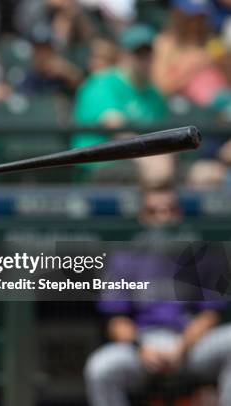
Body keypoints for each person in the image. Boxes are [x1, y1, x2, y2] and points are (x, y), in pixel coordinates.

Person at [84, 185, 231, 406]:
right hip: (144, 344)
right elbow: (116, 321)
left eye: (169, 210)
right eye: (154, 211)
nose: (163, 217)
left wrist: (182, 347)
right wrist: (142, 349)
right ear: (143, 217)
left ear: (179, 214)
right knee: (100, 368)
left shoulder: (204, 252)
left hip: (192, 343)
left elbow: (210, 314)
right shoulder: (124, 258)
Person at [72, 24, 169, 186]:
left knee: (207, 173)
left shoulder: (155, 94)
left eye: (148, 54)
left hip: (147, 161)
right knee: (155, 170)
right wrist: (151, 158)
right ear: (123, 54)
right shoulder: (102, 83)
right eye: (138, 54)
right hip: (102, 165)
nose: (144, 60)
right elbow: (117, 129)